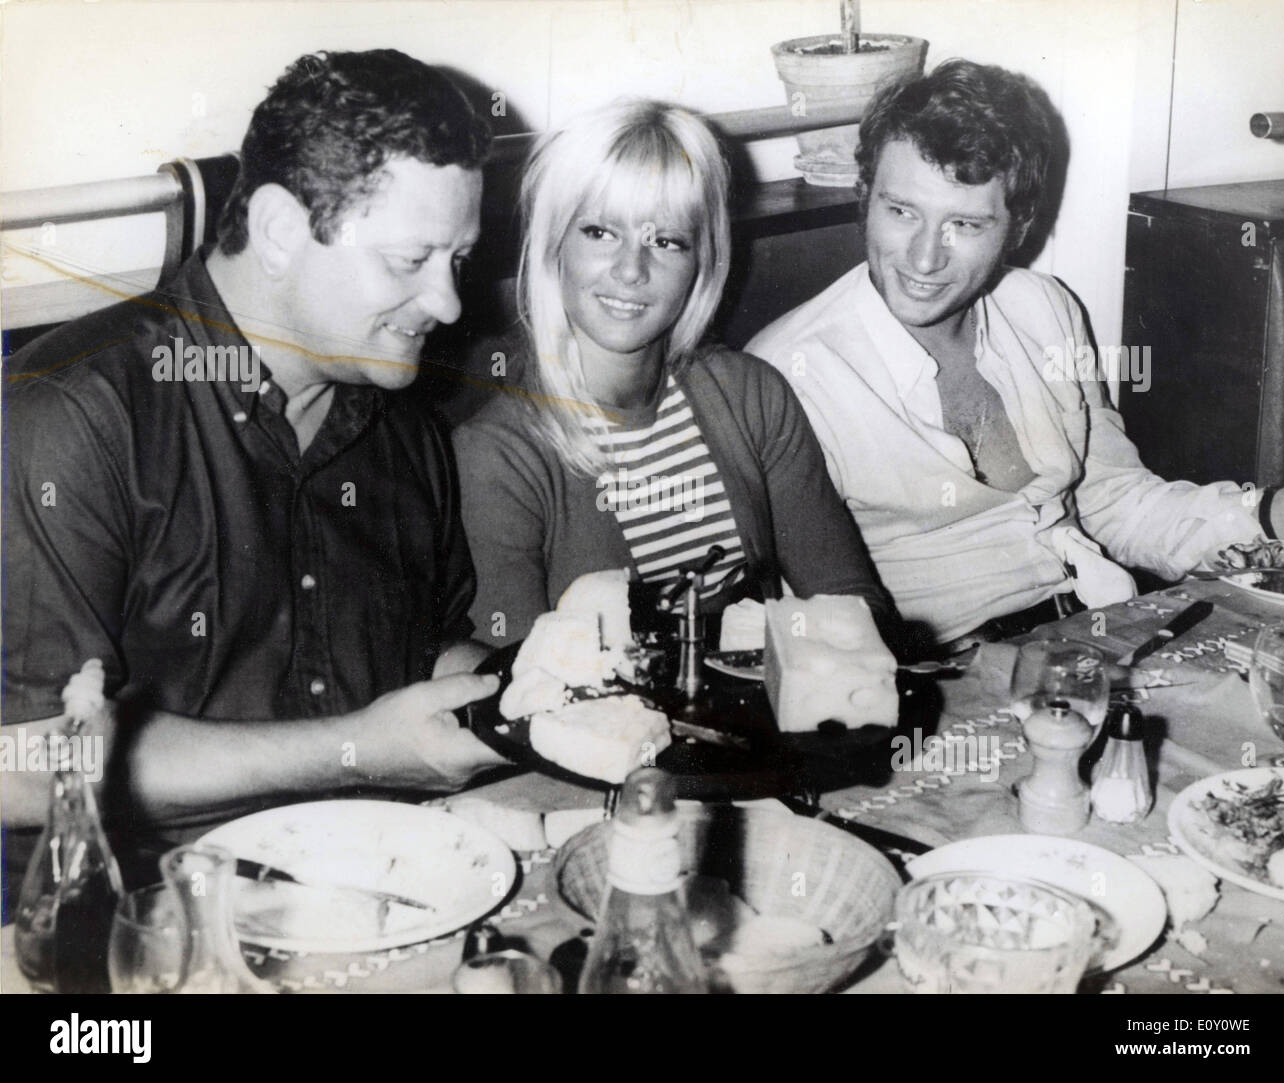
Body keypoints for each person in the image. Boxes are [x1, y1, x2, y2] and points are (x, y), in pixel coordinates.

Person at [2, 50, 508, 877]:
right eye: (408, 260)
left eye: (456, 261)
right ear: (279, 230)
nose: (449, 304)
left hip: (368, 888)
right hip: (136, 924)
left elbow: (424, 656)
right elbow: (21, 763)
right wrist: (351, 752)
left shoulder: (403, 429)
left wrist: (540, 683)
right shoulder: (70, 414)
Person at [746, 59, 1284, 649]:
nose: (924, 258)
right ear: (865, 198)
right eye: (901, 211)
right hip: (930, 683)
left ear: (1019, 227)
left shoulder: (1045, 308)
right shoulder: (789, 377)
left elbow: (1113, 500)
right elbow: (810, 626)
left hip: (1097, 638)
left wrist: (1277, 515)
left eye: (965, 223)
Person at [453, 99, 904, 651]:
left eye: (665, 241)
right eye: (599, 232)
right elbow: (519, 688)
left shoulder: (751, 395)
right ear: (553, 247)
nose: (630, 270)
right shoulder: (496, 455)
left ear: (703, 261)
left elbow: (852, 604)